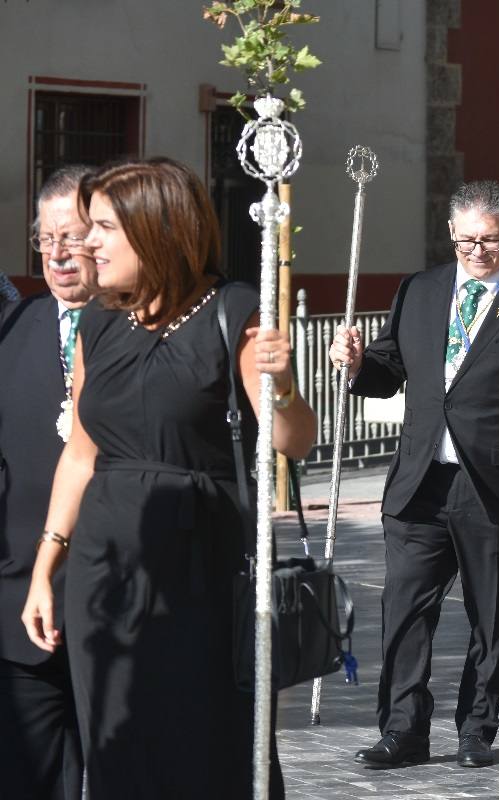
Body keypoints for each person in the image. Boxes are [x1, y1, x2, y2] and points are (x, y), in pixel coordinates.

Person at [21, 157, 316, 799]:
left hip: (200, 568)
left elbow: (293, 440)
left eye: (103, 228)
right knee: (117, 749)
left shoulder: (233, 312)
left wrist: (285, 386)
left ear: (156, 230)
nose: (86, 243)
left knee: (199, 747)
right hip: (104, 570)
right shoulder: (98, 322)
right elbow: (81, 454)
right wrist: (47, 566)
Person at [329, 180, 499, 771]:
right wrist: (359, 363)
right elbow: (389, 368)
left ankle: (476, 728)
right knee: (404, 613)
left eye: (490, 240)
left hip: (494, 487)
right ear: (450, 233)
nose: (478, 251)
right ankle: (402, 730)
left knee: (491, 617)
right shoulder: (419, 291)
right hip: (420, 481)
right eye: (467, 240)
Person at [0, 165, 94, 800]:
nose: (57, 254)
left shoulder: (148, 331)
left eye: (74, 238)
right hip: (18, 606)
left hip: (118, 603)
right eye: (45, 238)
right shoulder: (14, 328)